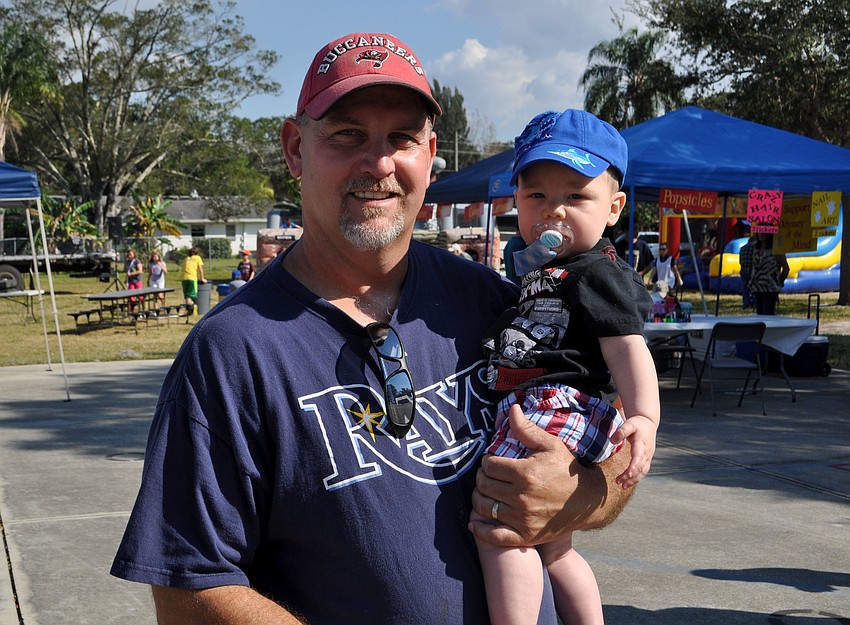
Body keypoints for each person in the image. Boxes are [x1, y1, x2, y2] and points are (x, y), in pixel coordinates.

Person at [111, 32, 634, 625]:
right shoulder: (233, 352)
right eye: (348, 134)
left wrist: (585, 495)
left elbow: (619, 437)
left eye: (402, 138)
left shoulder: (498, 302)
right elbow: (190, 589)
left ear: (430, 154)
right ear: (295, 149)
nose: (379, 163)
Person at [474, 109, 660, 625]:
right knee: (555, 549)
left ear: (613, 208)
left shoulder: (596, 271)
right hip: (539, 405)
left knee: (502, 530)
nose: (554, 211)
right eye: (537, 196)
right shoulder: (543, 269)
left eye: (575, 196)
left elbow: (628, 347)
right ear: (516, 201)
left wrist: (644, 417)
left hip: (560, 406)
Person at [748, 232, 790, 315]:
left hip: (770, 287)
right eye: (759, 233)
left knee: (768, 314)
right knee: (759, 314)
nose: (761, 235)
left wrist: (780, 282)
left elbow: (786, 268)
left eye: (764, 233)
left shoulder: (776, 250)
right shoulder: (755, 248)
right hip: (757, 287)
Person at [179, 246, 206, 310]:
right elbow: (200, 269)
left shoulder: (186, 258)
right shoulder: (197, 258)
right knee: (190, 296)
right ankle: (190, 310)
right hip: (192, 278)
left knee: (187, 296)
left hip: (184, 279)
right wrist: (202, 278)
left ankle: (189, 309)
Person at [738, 233, 757, 309]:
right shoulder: (754, 248)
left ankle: (746, 303)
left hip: (743, 268)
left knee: (745, 287)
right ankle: (754, 303)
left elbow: (740, 260)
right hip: (751, 268)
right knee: (753, 286)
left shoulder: (742, 248)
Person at [124, 248, 143, 312]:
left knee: (140, 296)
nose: (129, 256)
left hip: (137, 280)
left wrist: (131, 274)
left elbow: (140, 271)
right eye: (128, 254)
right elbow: (127, 271)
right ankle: (132, 310)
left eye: (131, 254)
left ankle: (142, 307)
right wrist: (126, 278)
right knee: (131, 296)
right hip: (130, 281)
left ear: (134, 254)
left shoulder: (137, 261)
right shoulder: (127, 262)